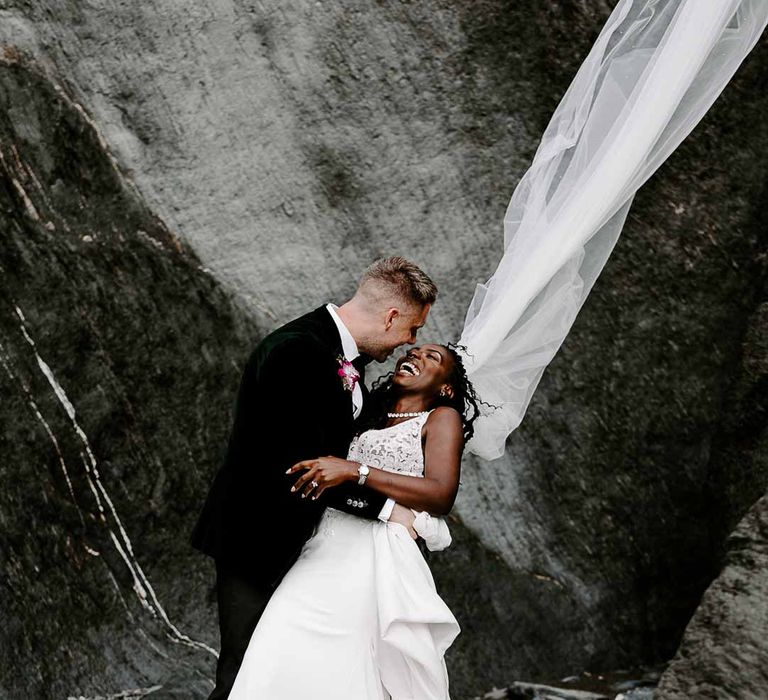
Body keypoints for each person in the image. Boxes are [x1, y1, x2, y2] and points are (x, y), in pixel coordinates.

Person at [191, 256, 438, 700]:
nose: (408, 342)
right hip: (258, 534)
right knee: (245, 671)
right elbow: (302, 464)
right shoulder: (299, 351)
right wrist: (387, 509)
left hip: (305, 539)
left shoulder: (342, 356)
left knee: (285, 670)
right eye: (412, 329)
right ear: (391, 315)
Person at [227, 341, 482, 699]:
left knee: (344, 664)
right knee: (278, 640)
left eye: (431, 357)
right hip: (323, 545)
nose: (415, 355)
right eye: (414, 350)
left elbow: (440, 494)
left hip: (375, 558)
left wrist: (356, 470)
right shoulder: (368, 414)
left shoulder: (441, 418)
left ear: (446, 388)